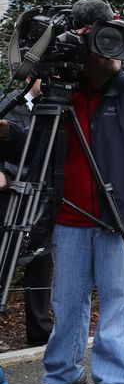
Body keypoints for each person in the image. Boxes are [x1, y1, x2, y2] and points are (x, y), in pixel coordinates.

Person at [21, 0, 124, 384]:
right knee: (66, 300)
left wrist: (121, 32)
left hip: (123, 212)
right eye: (95, 44)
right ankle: (62, 376)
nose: (103, 52)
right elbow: (36, 145)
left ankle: (111, 379)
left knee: (117, 298)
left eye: (109, 44)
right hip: (70, 214)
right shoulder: (63, 92)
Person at [0, 80, 54, 347]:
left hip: (46, 194)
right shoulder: (7, 104)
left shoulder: (59, 107)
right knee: (4, 259)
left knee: (41, 263)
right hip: (11, 195)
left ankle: (40, 331)